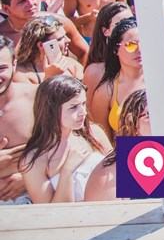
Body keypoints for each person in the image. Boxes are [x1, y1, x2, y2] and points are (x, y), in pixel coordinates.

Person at [19, 75, 110, 203]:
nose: (83, 112)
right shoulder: (33, 159)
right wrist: (67, 171)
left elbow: (119, 175)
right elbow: (51, 212)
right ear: (51, 110)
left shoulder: (94, 133)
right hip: (75, 215)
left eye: (83, 104)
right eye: (73, 107)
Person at [0, 0, 88, 63]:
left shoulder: (58, 23)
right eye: (22, 1)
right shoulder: (3, 35)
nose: (31, 3)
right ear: (6, 9)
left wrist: (79, 71)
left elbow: (84, 52)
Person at [88, 17, 145, 140]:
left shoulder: (161, 82)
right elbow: (103, 141)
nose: (139, 49)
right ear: (115, 50)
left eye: (144, 43)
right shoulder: (106, 91)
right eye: (131, 45)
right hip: (126, 151)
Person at [0, 36, 37, 203]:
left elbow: (71, 148)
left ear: (14, 64)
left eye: (1, 68)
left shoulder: (38, 98)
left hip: (35, 196)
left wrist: (28, 178)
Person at [13, 15, 84, 85]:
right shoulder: (21, 73)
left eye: (65, 36)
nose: (68, 40)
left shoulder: (72, 65)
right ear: (41, 45)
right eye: (60, 39)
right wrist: (49, 77)